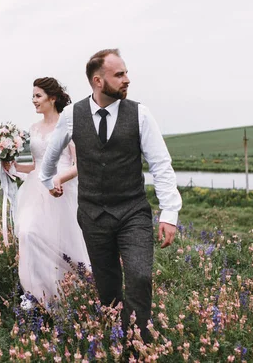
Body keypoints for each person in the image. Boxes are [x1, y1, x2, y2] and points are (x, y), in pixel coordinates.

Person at [39, 49, 182, 342]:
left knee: (140, 276)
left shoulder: (140, 113)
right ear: (98, 81)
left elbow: (161, 165)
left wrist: (169, 213)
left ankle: (139, 343)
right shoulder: (72, 116)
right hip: (92, 215)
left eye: (126, 73)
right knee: (107, 287)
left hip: (133, 212)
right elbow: (50, 156)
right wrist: (47, 182)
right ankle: (118, 341)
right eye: (119, 74)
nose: (127, 79)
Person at [4, 77, 91, 303]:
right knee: (28, 233)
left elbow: (78, 164)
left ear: (52, 98)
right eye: (33, 96)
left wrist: (59, 179)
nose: (34, 100)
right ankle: (37, 294)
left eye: (38, 96)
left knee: (63, 242)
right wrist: (12, 166)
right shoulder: (33, 128)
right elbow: (37, 164)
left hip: (63, 188)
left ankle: (71, 295)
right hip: (36, 190)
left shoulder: (68, 124)